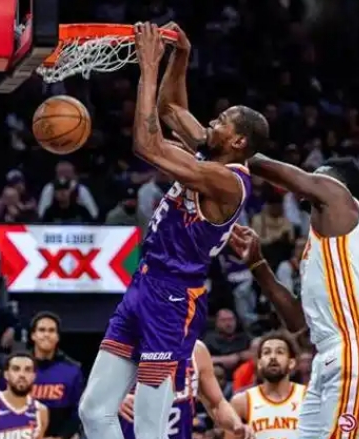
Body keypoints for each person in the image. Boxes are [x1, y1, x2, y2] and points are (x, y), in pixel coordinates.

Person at [79, 22, 268, 439]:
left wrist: (148, 66)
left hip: (174, 297)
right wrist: (181, 55)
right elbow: (169, 110)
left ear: (238, 143)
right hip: (145, 282)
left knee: (150, 427)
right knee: (94, 411)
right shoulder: (210, 151)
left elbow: (147, 145)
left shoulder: (227, 181)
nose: (212, 122)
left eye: (222, 121)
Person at [230, 154, 359, 439]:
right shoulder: (323, 250)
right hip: (328, 359)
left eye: (319, 175)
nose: (310, 180)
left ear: (339, 186)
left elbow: (298, 180)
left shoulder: (343, 202)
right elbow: (298, 323)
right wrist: (257, 264)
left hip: (354, 352)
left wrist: (236, 154)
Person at [119, 340, 251, 439]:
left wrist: (236, 424)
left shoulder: (197, 351)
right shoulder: (125, 347)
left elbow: (217, 404)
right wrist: (117, 400)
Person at [226, 332, 305, 439]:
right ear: (259, 363)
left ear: (291, 363)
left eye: (280, 352)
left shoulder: (309, 398)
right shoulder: (241, 402)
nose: (273, 357)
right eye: (267, 352)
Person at [30, 312, 84, 439]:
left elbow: (78, 410)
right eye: (42, 330)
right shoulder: (18, 367)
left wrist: (61, 437)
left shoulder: (73, 370)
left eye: (51, 330)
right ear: (33, 335)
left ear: (57, 337)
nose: (46, 334)